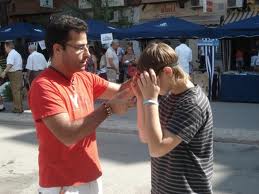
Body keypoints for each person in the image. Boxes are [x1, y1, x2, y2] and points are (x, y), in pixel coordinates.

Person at [28, 15, 134, 194]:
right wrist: (108, 108)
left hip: (92, 176)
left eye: (86, 46)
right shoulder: (43, 86)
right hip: (63, 185)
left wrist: (146, 76)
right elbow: (68, 135)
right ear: (57, 49)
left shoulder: (84, 77)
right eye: (79, 47)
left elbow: (122, 91)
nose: (87, 54)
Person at [131, 42, 213, 194]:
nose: (150, 85)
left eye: (152, 80)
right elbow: (145, 137)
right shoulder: (165, 95)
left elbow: (157, 149)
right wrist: (141, 97)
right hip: (161, 188)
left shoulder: (193, 103)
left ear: (168, 71)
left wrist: (150, 100)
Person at [0, 41, 23, 113]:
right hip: (17, 73)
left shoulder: (11, 54)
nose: (4, 49)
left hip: (14, 74)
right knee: (18, 91)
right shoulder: (16, 53)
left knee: (15, 91)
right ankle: (19, 108)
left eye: (5, 47)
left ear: (7, 46)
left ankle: (17, 109)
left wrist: (4, 72)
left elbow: (10, 64)